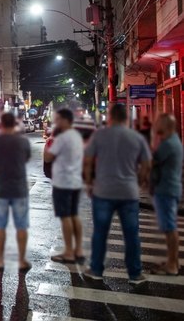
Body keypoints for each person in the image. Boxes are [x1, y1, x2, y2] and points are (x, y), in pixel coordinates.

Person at [83, 103, 152, 284]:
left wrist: (89, 182)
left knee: (100, 233)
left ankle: (97, 269)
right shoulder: (136, 138)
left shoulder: (99, 136)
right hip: (128, 193)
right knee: (131, 235)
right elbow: (146, 164)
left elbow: (88, 161)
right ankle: (135, 274)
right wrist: (138, 182)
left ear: (110, 117)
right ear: (126, 118)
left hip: (103, 191)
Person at [0, 112, 32, 272]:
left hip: (0, 188)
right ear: (14, 124)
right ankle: (21, 260)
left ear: (1, 124)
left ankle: (0, 259)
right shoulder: (23, 141)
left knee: (0, 225)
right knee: (21, 226)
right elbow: (26, 158)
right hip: (19, 188)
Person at [43, 109, 86, 264]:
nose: (57, 122)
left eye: (58, 119)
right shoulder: (76, 136)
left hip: (62, 181)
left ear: (65, 120)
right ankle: (78, 249)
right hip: (75, 180)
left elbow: (48, 157)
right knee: (74, 214)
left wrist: (48, 143)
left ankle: (68, 252)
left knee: (65, 216)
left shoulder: (61, 138)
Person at [150, 114, 182, 275]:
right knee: (170, 226)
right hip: (170, 188)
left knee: (170, 228)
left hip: (166, 189)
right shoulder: (173, 141)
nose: (156, 127)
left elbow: (152, 161)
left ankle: (172, 264)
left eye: (158, 124)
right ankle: (173, 260)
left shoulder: (167, 144)